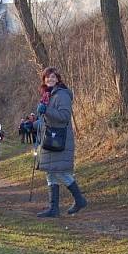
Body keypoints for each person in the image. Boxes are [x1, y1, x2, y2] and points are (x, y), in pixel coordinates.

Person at [35, 66, 87, 218]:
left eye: (53, 77)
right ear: (44, 80)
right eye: (47, 77)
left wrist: (46, 110)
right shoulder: (47, 95)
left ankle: (80, 200)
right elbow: (46, 119)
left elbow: (64, 116)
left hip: (60, 139)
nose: (50, 79)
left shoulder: (62, 94)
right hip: (49, 138)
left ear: (58, 79)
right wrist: (34, 125)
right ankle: (53, 208)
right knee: (50, 173)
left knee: (60, 172)